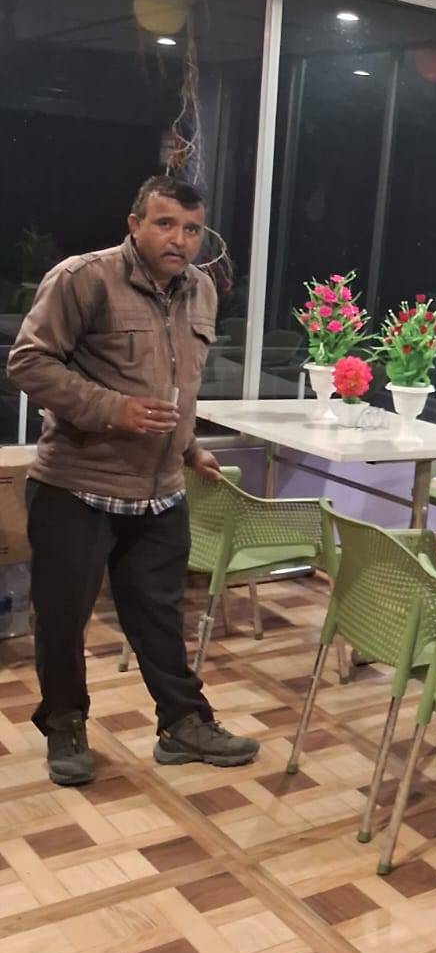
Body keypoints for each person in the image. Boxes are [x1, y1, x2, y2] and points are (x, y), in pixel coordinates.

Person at [6, 176, 259, 785]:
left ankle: (184, 724)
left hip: (160, 492)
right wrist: (111, 408)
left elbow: (176, 386)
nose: (180, 240)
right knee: (62, 621)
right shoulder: (83, 279)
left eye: (192, 229)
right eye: (165, 223)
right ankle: (65, 725)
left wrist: (189, 447)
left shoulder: (201, 291)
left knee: (160, 618)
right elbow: (28, 362)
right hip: (76, 486)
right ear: (135, 224)